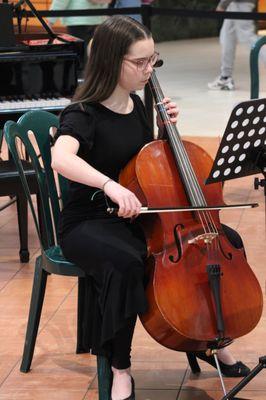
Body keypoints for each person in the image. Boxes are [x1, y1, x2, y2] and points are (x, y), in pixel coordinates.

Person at [52, 15, 250, 400]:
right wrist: (109, 186)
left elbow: (144, 166)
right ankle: (119, 365)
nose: (149, 70)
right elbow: (61, 158)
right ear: (112, 61)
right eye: (139, 62)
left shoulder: (139, 105)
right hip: (88, 221)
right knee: (127, 261)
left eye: (152, 60)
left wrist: (163, 131)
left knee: (223, 240)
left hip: (136, 217)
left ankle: (211, 340)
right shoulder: (83, 113)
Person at [208, 0, 266, 90]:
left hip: (240, 3)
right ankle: (225, 77)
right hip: (235, 3)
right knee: (227, 36)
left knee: (247, 37)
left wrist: (223, 4)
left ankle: (225, 77)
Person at [48, 0, 111, 65]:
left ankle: (80, 72)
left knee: (79, 52)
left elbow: (61, 2)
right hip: (96, 20)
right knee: (94, 52)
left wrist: (50, 21)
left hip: (77, 20)